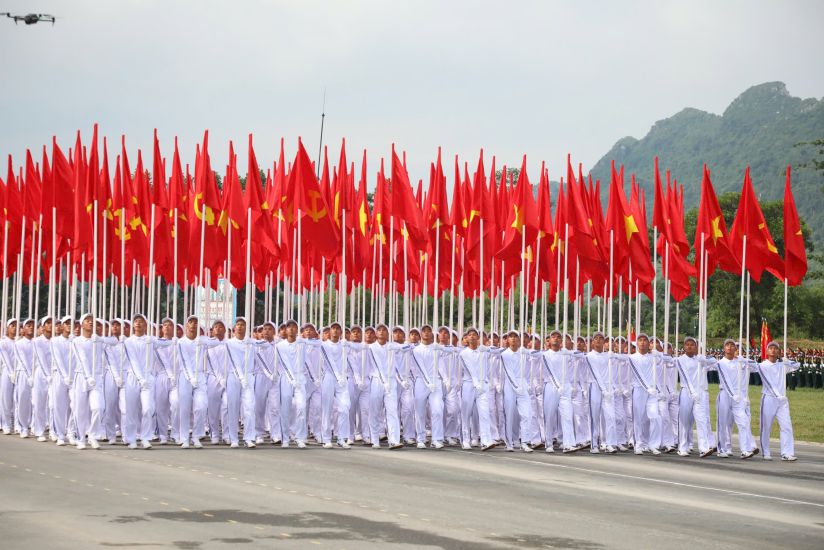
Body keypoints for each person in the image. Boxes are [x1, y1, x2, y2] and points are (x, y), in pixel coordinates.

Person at [120, 313, 171, 449]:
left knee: (148, 408)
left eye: (141, 321)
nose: (138, 323)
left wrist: (176, 340)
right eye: (136, 321)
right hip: (132, 377)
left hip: (148, 377)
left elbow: (165, 343)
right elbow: (133, 361)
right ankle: (131, 438)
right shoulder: (128, 341)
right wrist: (140, 378)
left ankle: (146, 437)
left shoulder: (150, 340)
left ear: (146, 325)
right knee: (131, 410)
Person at [756, 341, 800, 461]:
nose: (773, 350)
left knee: (786, 425)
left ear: (779, 352)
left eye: (776, 348)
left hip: (782, 400)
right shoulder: (762, 365)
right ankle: (766, 452)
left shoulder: (782, 365)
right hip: (769, 398)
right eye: (771, 348)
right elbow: (768, 383)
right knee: (766, 426)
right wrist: (777, 395)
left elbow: (797, 365)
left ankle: (787, 453)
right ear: (767, 351)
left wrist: (787, 361)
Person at [223, 317, 264, 448]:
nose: (240, 327)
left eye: (243, 325)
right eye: (238, 325)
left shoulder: (251, 343)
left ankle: (249, 437)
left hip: (249, 376)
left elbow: (266, 345)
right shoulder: (229, 343)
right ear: (234, 328)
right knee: (233, 407)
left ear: (246, 327)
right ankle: (233, 438)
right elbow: (233, 361)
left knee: (250, 407)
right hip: (233, 376)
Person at [457, 327, 500, 451]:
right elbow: (469, 369)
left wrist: (487, 348)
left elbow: (498, 351)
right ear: (467, 338)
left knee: (484, 412)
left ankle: (486, 440)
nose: (472, 336)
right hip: (469, 384)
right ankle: (465, 439)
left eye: (474, 334)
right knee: (466, 413)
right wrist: (476, 383)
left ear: (478, 337)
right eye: (469, 335)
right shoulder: (463, 353)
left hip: (483, 384)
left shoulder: (484, 351)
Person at [674, 336, 718, 458]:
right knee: (684, 421)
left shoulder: (701, 360)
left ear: (696, 347)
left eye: (692, 344)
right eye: (687, 344)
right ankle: (682, 447)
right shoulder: (680, 360)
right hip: (686, 392)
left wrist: (703, 359)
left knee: (702, 419)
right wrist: (693, 392)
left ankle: (703, 448)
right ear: (684, 347)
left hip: (700, 393)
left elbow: (715, 362)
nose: (689, 346)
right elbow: (685, 377)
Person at [716, 338, 759, 459]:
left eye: (732, 345)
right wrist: (732, 394)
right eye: (727, 345)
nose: (729, 347)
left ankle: (745, 449)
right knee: (722, 423)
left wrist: (744, 360)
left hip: (738, 396)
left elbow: (756, 367)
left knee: (743, 422)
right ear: (724, 348)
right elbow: (725, 380)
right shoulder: (720, 363)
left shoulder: (739, 362)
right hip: (725, 395)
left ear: (736, 349)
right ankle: (722, 448)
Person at [367, 324, 405, 450]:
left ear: (388, 333)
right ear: (375, 333)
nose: (381, 332)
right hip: (377, 381)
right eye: (379, 330)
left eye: (384, 330)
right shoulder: (371, 347)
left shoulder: (392, 347)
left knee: (392, 410)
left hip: (391, 381)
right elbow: (376, 365)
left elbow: (407, 347)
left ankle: (394, 440)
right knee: (375, 411)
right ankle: (374, 439)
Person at [71, 314, 106, 450]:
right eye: (87, 320)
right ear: (82, 324)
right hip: (81, 376)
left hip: (96, 377)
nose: (90, 323)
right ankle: (80, 438)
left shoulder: (97, 340)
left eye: (92, 321)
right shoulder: (76, 341)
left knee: (98, 407)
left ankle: (93, 435)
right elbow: (82, 358)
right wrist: (87, 376)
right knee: (80, 409)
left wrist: (114, 339)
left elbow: (114, 342)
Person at [541, 330, 579, 453]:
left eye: (558, 337)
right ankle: (548, 443)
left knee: (567, 415)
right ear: (549, 340)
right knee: (550, 415)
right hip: (551, 387)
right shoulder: (545, 355)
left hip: (565, 387)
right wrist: (558, 385)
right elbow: (550, 372)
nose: (556, 339)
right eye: (553, 337)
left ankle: (569, 443)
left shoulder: (565, 353)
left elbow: (580, 354)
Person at [316, 321, 351, 448]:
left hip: (342, 379)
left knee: (345, 408)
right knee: (327, 408)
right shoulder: (323, 345)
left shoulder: (344, 345)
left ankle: (341, 438)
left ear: (341, 332)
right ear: (329, 331)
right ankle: (326, 438)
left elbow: (361, 347)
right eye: (333, 328)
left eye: (338, 329)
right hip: (329, 377)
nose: (335, 331)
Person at [500, 330, 535, 452]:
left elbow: (538, 354)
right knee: (509, 414)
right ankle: (509, 442)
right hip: (510, 385)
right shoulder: (504, 354)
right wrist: (516, 386)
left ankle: (525, 441)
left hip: (522, 383)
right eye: (511, 337)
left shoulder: (524, 353)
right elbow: (509, 373)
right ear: (507, 340)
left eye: (516, 337)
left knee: (527, 414)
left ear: (519, 340)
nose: (513, 339)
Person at [410, 324, 445, 449]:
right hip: (421, 382)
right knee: (419, 411)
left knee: (437, 410)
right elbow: (420, 367)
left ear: (432, 334)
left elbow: (441, 365)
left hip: (436, 382)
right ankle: (420, 438)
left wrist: (445, 379)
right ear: (420, 334)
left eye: (428, 331)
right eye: (423, 331)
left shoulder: (437, 348)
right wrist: (427, 381)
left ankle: (436, 439)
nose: (426, 333)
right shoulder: (415, 350)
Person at [275, 319, 308, 448]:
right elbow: (282, 363)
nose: (291, 329)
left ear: (297, 330)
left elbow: (318, 343)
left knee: (301, 407)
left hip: (300, 378)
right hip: (286, 378)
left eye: (294, 327)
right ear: (286, 330)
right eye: (289, 327)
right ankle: (285, 438)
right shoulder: (279, 346)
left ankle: (299, 437)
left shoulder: (302, 344)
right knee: (285, 408)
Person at [585, 332, 618, 454]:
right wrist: (603, 389)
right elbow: (595, 373)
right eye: (596, 339)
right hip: (595, 387)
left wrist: (613, 354)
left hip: (608, 389)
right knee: (595, 416)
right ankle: (594, 444)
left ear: (604, 342)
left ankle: (609, 443)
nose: (598, 341)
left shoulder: (607, 356)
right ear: (592, 342)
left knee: (610, 416)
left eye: (601, 339)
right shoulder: (589, 356)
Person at [253, 321, 280, 445]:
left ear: (274, 332)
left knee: (274, 406)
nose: (266, 331)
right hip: (260, 377)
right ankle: (258, 433)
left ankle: (275, 434)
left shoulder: (278, 345)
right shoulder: (257, 345)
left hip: (274, 379)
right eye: (265, 329)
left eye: (270, 329)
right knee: (259, 407)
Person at [50, 316, 74, 446]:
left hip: (74, 377)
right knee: (59, 406)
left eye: (71, 323)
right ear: (62, 326)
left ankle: (71, 432)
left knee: (74, 405)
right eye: (67, 323)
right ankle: (60, 434)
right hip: (60, 376)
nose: (69, 325)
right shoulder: (55, 341)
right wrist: (65, 376)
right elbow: (58, 359)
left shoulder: (75, 341)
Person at [31, 316, 54, 442]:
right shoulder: (37, 341)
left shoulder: (55, 340)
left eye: (52, 323)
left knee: (52, 404)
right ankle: (39, 430)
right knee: (39, 402)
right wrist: (47, 375)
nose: (50, 325)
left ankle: (53, 429)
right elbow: (41, 359)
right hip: (41, 373)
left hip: (54, 373)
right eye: (48, 323)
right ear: (43, 326)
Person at [13, 318, 36, 438]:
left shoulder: (36, 342)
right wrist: (29, 375)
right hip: (23, 374)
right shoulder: (18, 343)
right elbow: (22, 360)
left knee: (36, 402)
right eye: (28, 325)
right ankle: (23, 427)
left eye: (32, 325)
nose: (31, 327)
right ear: (23, 328)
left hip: (36, 374)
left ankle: (34, 425)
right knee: (22, 400)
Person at [0, 319, 17, 435]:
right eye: (12, 325)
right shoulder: (3, 342)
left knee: (17, 399)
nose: (14, 328)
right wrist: (11, 373)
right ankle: (5, 424)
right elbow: (5, 358)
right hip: (7, 372)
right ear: (7, 328)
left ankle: (15, 424)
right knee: (6, 399)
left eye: (16, 326)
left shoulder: (18, 342)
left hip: (18, 372)